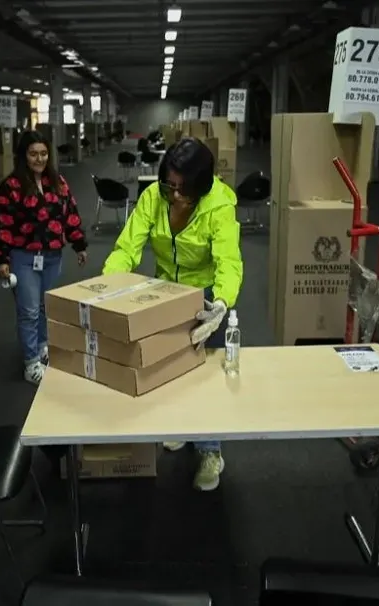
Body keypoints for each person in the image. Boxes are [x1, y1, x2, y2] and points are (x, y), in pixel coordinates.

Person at [102, 136, 243, 492]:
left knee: (203, 376)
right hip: (165, 290)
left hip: (206, 295)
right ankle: (181, 429)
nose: (176, 195)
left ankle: (211, 450)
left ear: (202, 185)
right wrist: (106, 287)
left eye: (184, 189)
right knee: (168, 368)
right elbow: (127, 248)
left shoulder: (220, 205)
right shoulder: (153, 197)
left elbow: (229, 261)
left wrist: (222, 302)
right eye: (170, 185)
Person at [0, 130, 88, 384]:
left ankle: (43, 347)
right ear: (24, 155)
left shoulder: (58, 183)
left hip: (52, 256)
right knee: (29, 311)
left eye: (44, 153)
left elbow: (71, 214)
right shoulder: (11, 186)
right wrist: (1, 259)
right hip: (23, 257)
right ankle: (30, 363)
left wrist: (79, 244)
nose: (39, 158)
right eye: (33, 153)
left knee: (47, 306)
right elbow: (2, 225)